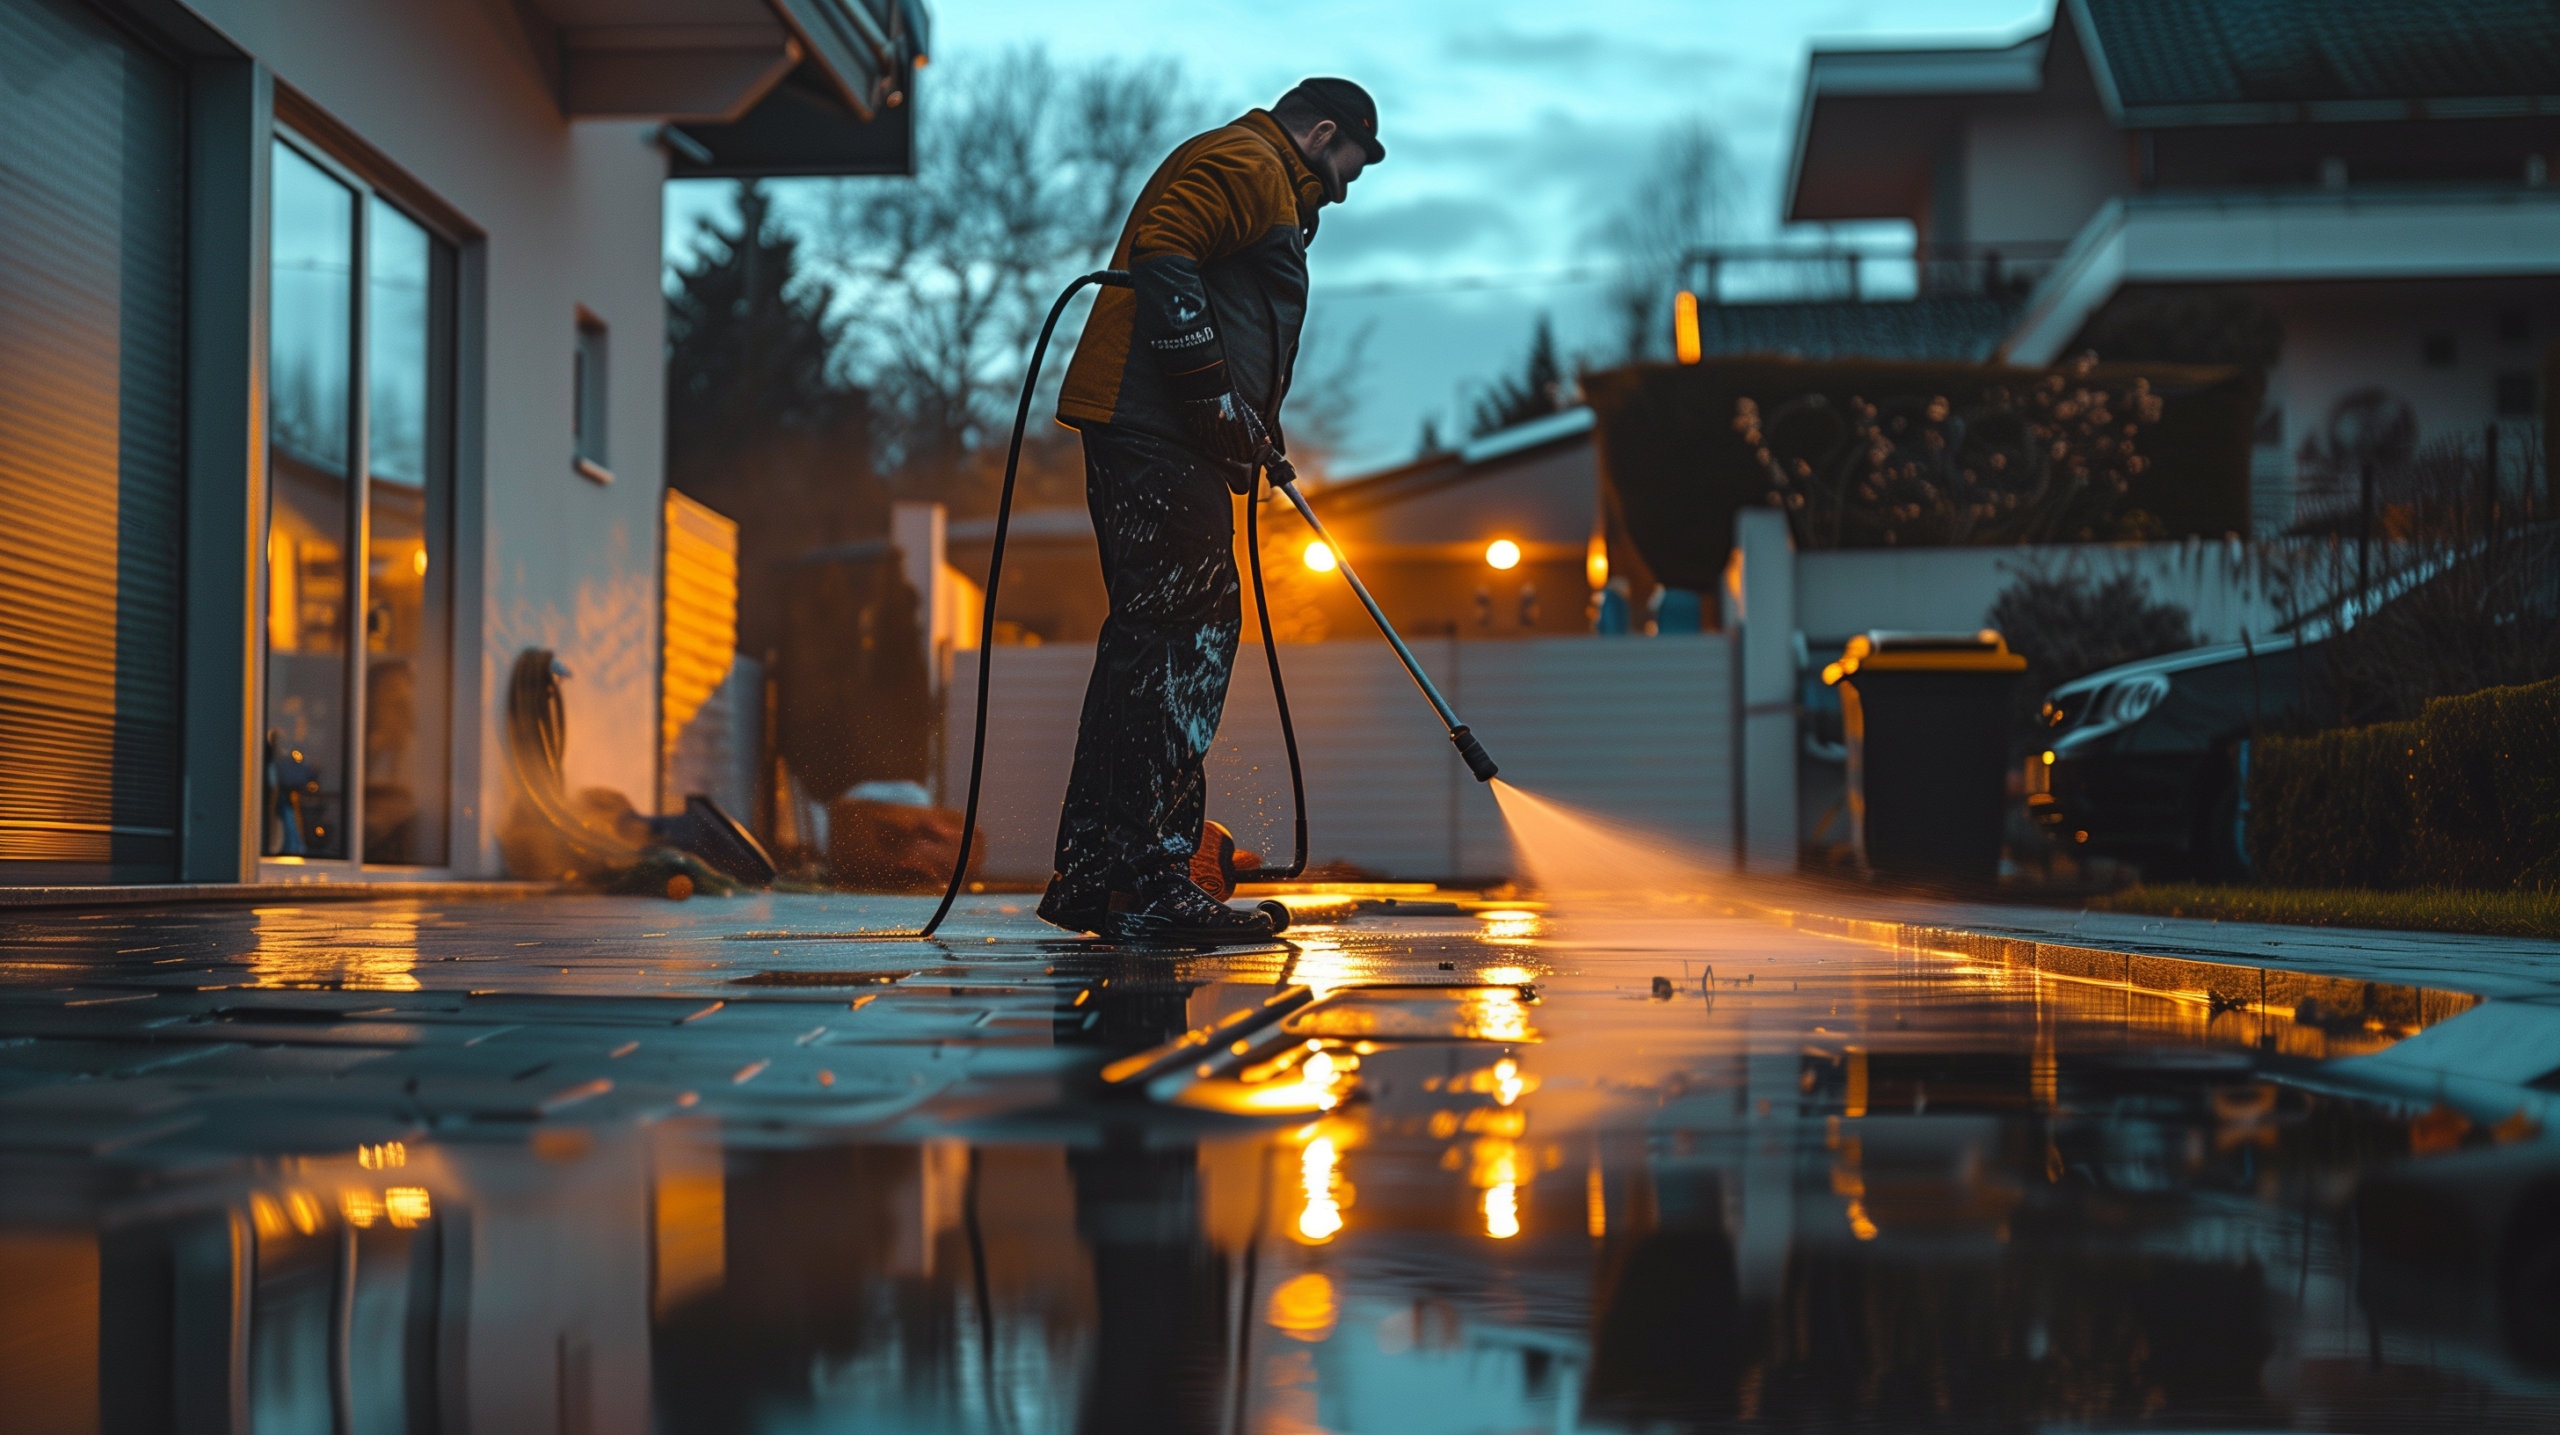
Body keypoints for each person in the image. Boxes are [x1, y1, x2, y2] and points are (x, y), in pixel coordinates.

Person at [1037, 78, 1382, 940]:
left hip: (1159, 432)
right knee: (1186, 639)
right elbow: (1165, 252)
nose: (1344, 188)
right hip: (1157, 432)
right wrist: (1209, 401)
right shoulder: (1247, 159)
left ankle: (1100, 875)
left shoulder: (1260, 173)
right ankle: (1156, 876)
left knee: (1146, 643)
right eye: (1348, 166)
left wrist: (1249, 424)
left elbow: (1219, 309)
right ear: (1324, 132)